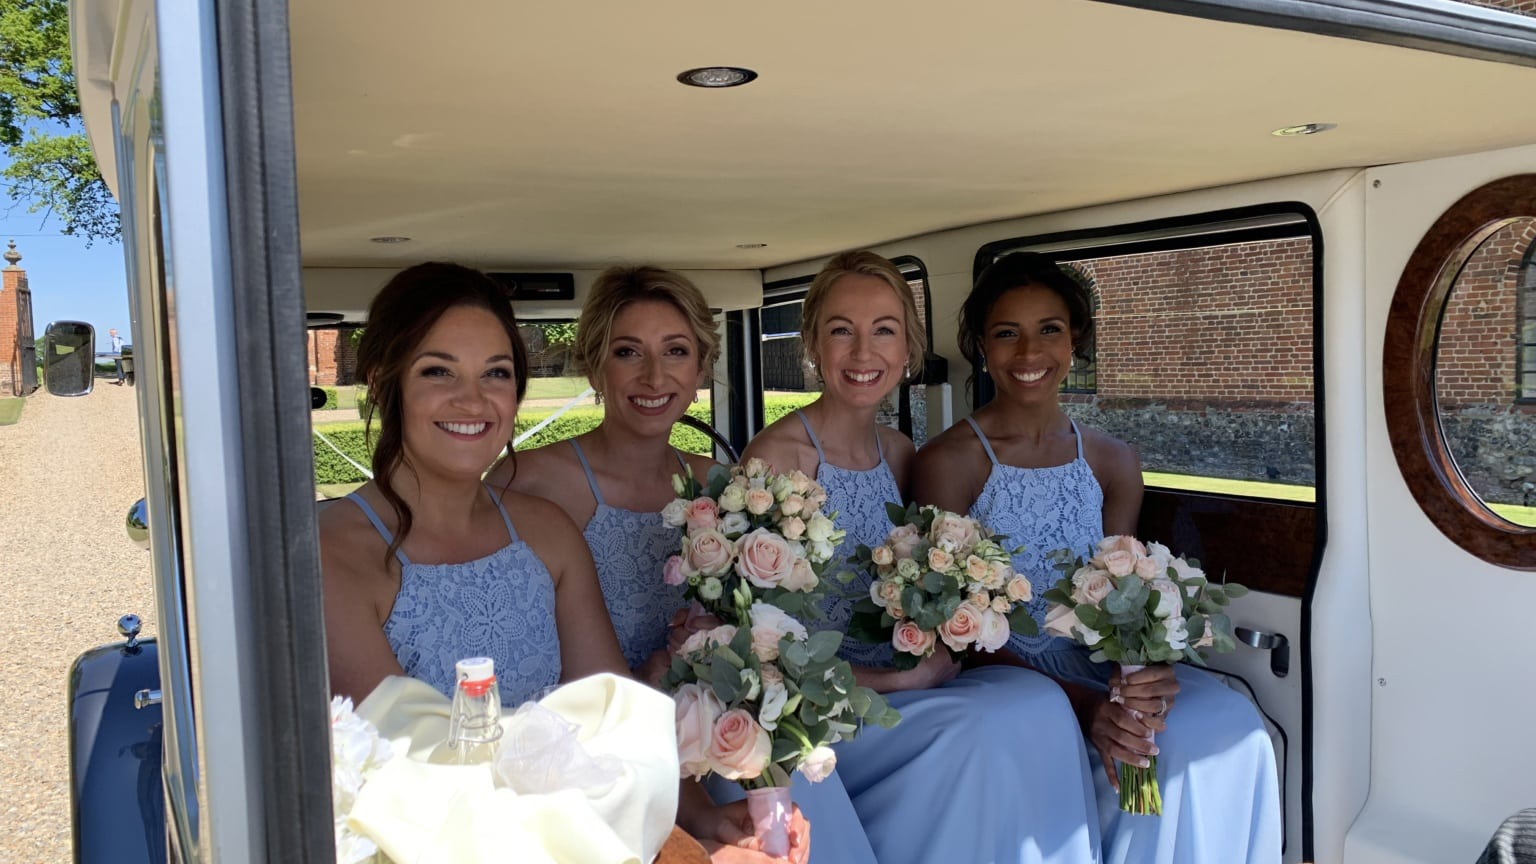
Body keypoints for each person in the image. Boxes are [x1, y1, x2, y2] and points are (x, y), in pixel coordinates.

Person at [318, 261, 807, 863]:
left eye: (496, 373)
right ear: (380, 380)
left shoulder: (545, 534)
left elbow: (616, 726)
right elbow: (409, 786)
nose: (472, 399)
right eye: (438, 370)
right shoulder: (330, 551)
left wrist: (707, 824)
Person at [490, 265, 875, 863]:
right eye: (627, 353)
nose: (653, 375)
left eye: (676, 351)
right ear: (595, 366)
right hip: (589, 738)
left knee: (794, 806)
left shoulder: (719, 488)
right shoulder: (532, 481)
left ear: (701, 367)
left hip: (709, 730)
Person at [913, 251, 1282, 864]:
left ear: (1075, 338)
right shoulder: (948, 462)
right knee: (1127, 752)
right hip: (1005, 675)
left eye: (1049, 329)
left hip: (1100, 666)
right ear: (982, 345)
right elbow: (952, 630)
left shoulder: (1112, 460)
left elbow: (1125, 592)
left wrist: (1140, 679)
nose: (1030, 354)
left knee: (1228, 727)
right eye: (1008, 333)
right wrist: (1086, 707)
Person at [741, 250, 1101, 864]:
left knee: (1037, 706)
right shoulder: (776, 460)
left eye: (884, 330)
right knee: (981, 729)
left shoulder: (901, 453)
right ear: (811, 343)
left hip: (914, 686)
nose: (863, 353)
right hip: (826, 708)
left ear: (908, 348)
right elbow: (756, 651)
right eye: (840, 331)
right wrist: (898, 679)